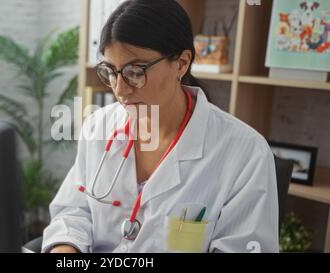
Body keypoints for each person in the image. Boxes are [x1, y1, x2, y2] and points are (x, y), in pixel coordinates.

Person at [42, 0, 278, 253]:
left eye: (136, 70)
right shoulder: (98, 127)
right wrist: (65, 250)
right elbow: (73, 210)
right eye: (111, 70)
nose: (120, 90)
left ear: (181, 63)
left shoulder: (245, 152)